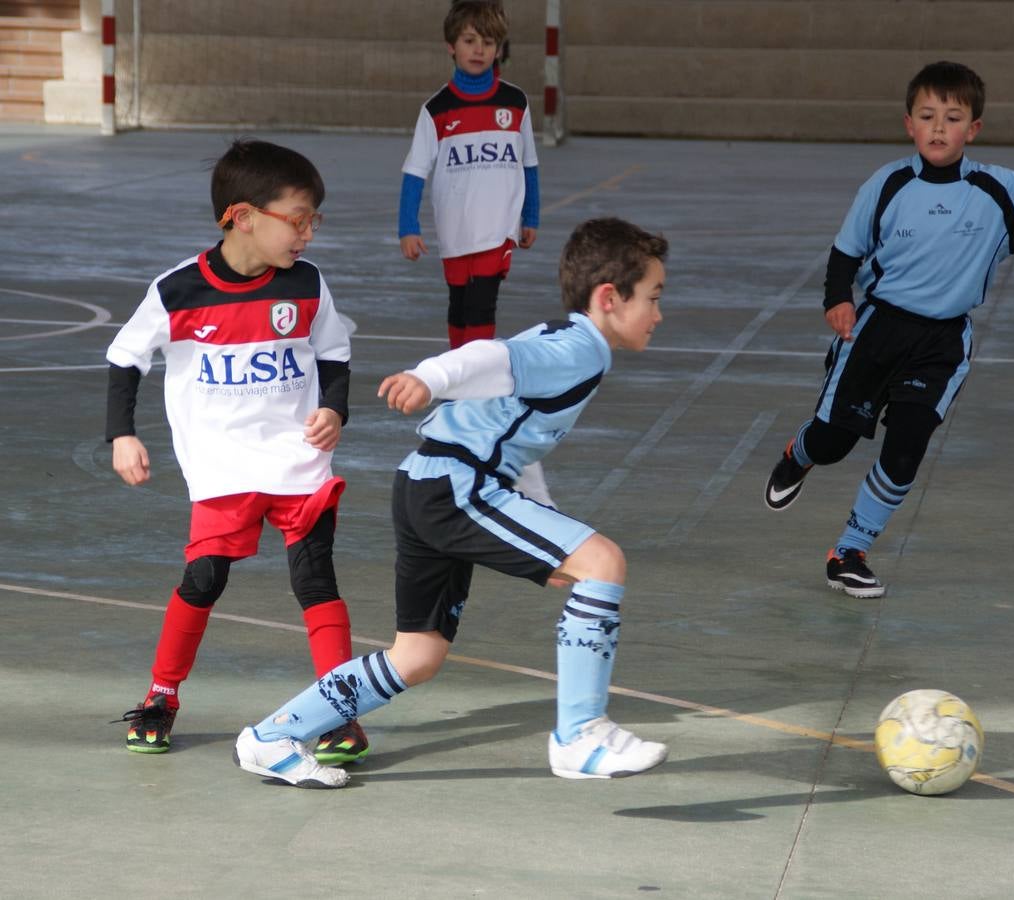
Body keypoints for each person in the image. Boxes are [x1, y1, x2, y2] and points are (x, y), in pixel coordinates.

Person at [234, 217, 669, 788]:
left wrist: (548, 522)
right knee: (604, 562)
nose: (660, 314)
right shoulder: (581, 350)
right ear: (610, 298)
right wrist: (429, 376)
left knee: (417, 657)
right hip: (453, 486)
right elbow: (491, 359)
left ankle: (271, 736)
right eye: (654, 298)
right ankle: (580, 734)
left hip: (425, 484)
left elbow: (517, 436)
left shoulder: (564, 338)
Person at [764, 60, 1014, 598]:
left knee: (906, 447)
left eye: (952, 118)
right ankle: (800, 453)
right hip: (877, 330)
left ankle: (850, 550)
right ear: (909, 123)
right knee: (834, 442)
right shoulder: (887, 184)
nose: (937, 127)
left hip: (943, 343)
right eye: (927, 116)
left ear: (972, 129)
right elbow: (846, 252)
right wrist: (838, 299)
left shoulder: (999, 191)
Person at [106, 139, 368, 764]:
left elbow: (335, 353)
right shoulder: (179, 291)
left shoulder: (306, 284)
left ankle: (340, 712)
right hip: (222, 465)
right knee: (204, 578)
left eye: (314, 220)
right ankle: (161, 696)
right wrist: (122, 433)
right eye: (297, 219)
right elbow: (125, 357)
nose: (307, 234)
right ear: (244, 216)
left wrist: (334, 408)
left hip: (298, 459)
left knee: (315, 578)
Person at [398, 0, 540, 350]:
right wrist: (408, 227)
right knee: (459, 305)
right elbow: (415, 171)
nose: (479, 50)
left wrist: (531, 216)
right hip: (455, 228)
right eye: (470, 40)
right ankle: (459, 375)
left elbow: (529, 164)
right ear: (451, 45)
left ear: (498, 49)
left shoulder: (515, 103)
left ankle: (474, 384)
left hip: (498, 229)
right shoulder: (436, 110)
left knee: (481, 304)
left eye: (488, 43)